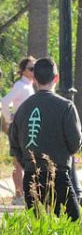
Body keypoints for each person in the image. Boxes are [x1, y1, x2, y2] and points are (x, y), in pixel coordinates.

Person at [9, 57, 82, 221]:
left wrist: (28, 162)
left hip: (31, 176)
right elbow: (75, 144)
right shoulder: (66, 106)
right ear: (56, 78)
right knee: (73, 225)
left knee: (37, 229)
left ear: (34, 80)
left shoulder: (23, 108)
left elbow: (15, 145)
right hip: (58, 175)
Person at [2, 56, 35, 205]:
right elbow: (5, 101)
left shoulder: (29, 86)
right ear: (23, 71)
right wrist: (9, 119)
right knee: (18, 162)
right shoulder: (20, 86)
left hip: (27, 129)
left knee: (26, 161)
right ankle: (18, 195)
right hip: (19, 129)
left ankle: (23, 194)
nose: (34, 71)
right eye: (31, 68)